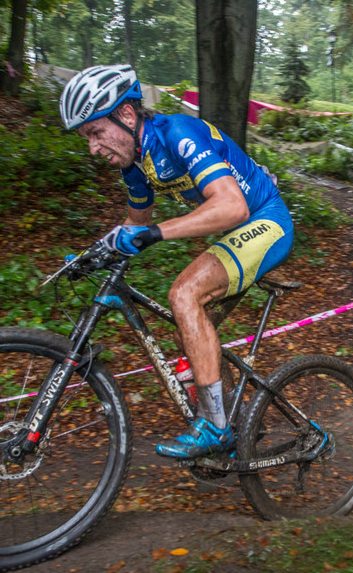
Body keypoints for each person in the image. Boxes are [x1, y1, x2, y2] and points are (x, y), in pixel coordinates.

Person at [60, 65, 293, 459]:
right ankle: (234, 420)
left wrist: (154, 234)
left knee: (184, 292)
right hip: (234, 229)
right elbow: (135, 225)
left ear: (127, 115)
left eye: (95, 133)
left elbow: (233, 206)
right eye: (87, 138)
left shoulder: (178, 133)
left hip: (266, 220)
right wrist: (94, 253)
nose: (93, 148)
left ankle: (216, 427)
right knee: (186, 327)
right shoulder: (134, 164)